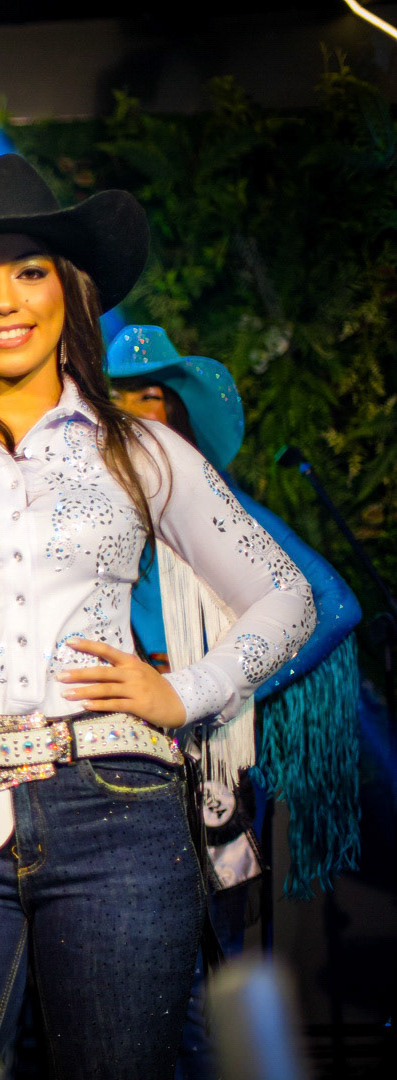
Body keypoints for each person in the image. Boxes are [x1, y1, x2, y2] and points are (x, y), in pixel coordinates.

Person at [0, 153, 315, 1079]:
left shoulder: (139, 447)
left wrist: (185, 692)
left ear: (68, 290)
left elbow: (288, 596)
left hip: (117, 809)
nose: (4, 300)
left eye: (30, 271)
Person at [107, 325, 362, 1080]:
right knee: (133, 983)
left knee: (201, 973)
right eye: (117, 398)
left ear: (178, 412)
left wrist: (216, 688)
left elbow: (332, 604)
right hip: (111, 770)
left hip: (202, 772)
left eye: (149, 396)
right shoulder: (90, 510)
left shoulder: (212, 505)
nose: (134, 413)